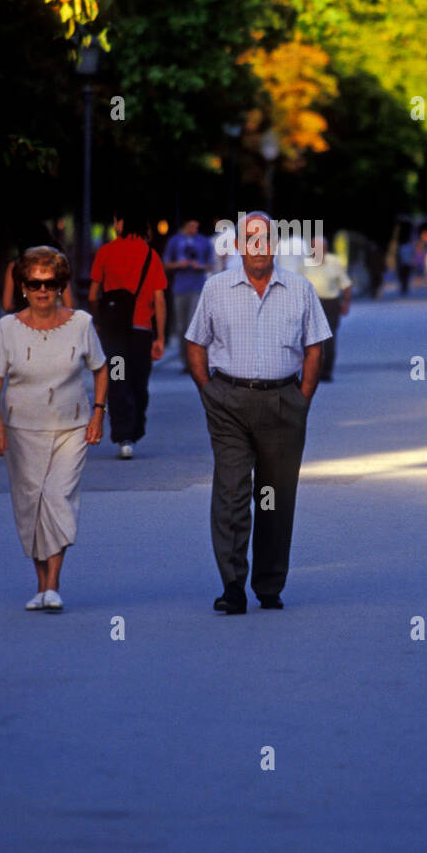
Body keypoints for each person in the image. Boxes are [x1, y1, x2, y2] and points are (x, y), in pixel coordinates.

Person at [185, 211, 332, 614]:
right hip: (228, 403)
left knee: (273, 497)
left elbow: (315, 345)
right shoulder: (216, 289)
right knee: (231, 494)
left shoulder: (300, 290)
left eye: (264, 238)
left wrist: (301, 399)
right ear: (238, 246)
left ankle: (268, 583)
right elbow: (196, 342)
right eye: (249, 238)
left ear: (274, 244)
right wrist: (208, 391)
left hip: (283, 403)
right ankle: (232, 586)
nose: (257, 246)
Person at [0, 246, 107, 612]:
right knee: (30, 504)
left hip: (72, 426)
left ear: (60, 285)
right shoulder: (8, 329)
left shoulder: (81, 323)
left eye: (50, 283)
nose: (42, 290)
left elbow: (100, 369)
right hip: (22, 429)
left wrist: (98, 413)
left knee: (56, 498)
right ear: (23, 286)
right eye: (34, 283)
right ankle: (41, 586)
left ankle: (53, 585)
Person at [88, 209, 166, 459]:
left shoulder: (105, 252)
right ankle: (134, 429)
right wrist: (160, 336)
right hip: (141, 332)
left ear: (120, 223)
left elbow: (92, 295)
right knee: (138, 383)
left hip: (114, 334)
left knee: (118, 379)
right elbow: (159, 299)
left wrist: (100, 321)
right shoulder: (150, 255)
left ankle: (123, 435)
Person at [163, 218, 212, 367]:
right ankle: (185, 360)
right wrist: (179, 264)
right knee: (181, 325)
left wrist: (200, 266)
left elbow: (210, 265)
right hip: (180, 287)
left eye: (196, 227)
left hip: (197, 287)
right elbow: (165, 263)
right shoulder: (175, 241)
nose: (194, 230)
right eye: (192, 226)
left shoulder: (203, 241)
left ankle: (195, 361)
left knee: (194, 323)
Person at [303, 236, 352, 381]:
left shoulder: (334, 262)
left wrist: (346, 302)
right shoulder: (305, 263)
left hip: (330, 303)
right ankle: (310, 370)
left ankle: (326, 371)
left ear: (325, 249)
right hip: (310, 303)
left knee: (328, 339)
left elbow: (346, 284)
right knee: (309, 339)